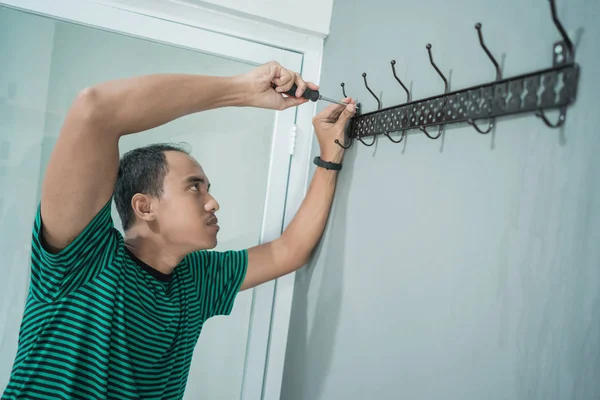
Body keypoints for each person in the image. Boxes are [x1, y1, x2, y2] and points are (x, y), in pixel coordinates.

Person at [1, 61, 356, 399]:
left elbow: (288, 251)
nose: (213, 202)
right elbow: (95, 109)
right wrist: (242, 90)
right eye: (194, 187)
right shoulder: (81, 260)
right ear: (145, 207)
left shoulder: (195, 280)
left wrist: (331, 155)